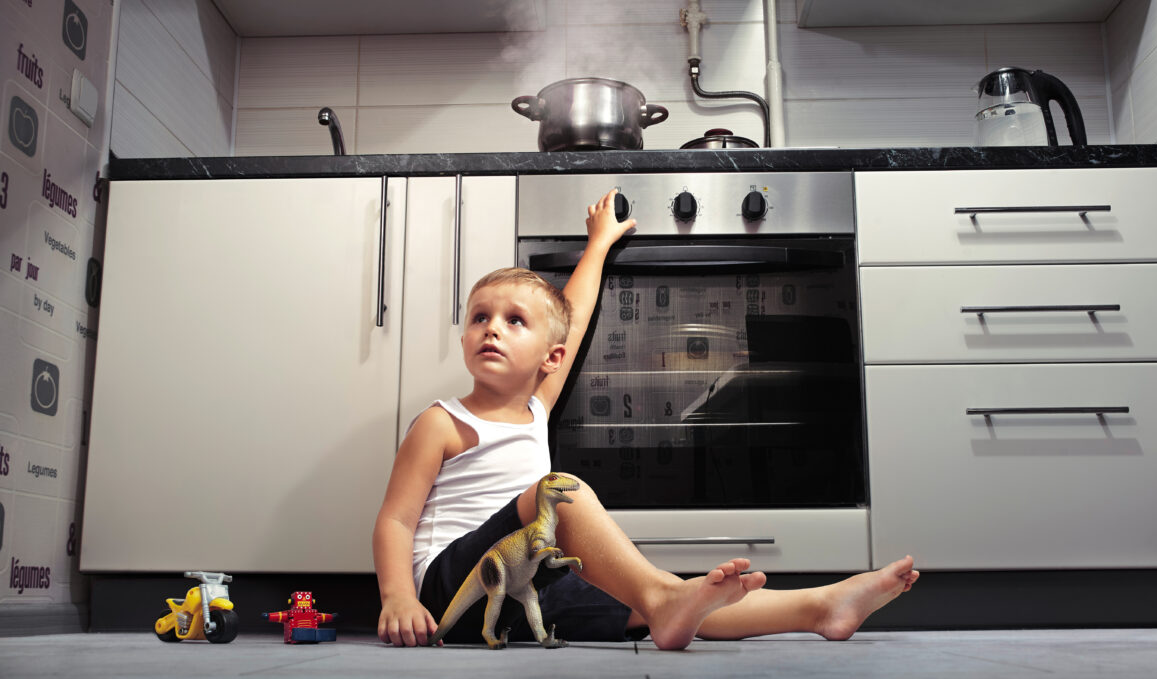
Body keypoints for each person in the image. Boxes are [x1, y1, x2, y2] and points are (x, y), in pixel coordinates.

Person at [373, 189, 919, 650]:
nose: (491, 328)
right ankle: (665, 600)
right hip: (447, 591)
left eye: (514, 321)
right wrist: (398, 596)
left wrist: (598, 245)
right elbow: (396, 521)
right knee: (554, 494)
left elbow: (576, 318)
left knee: (663, 597)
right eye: (479, 318)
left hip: (519, 593)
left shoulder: (536, 408)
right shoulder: (442, 423)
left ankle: (818, 607)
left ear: (550, 357)